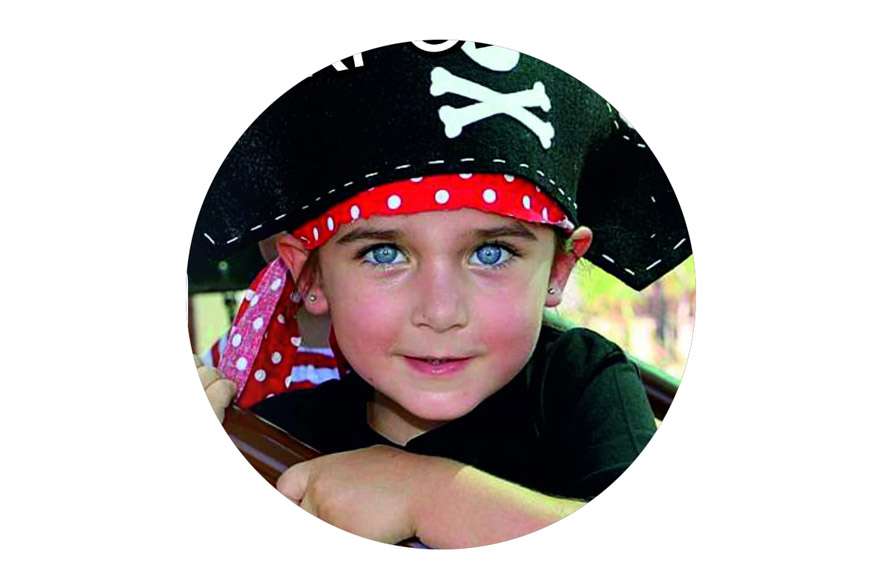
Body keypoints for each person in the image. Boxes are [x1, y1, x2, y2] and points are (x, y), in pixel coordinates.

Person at [189, 40, 691, 548]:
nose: (441, 311)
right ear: (311, 278)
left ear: (558, 269)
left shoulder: (578, 386)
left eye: (490, 253)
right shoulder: (275, 435)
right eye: (384, 254)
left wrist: (429, 495)